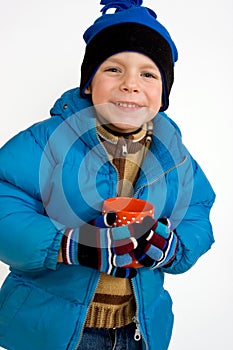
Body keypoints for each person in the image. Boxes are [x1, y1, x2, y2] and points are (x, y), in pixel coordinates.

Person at [0, 1, 215, 349]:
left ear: (163, 97)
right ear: (88, 84)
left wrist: (172, 249)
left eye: (148, 74)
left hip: (136, 329)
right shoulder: (48, 142)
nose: (130, 84)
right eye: (113, 69)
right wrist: (70, 245)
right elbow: (4, 203)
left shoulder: (174, 155)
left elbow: (197, 210)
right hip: (50, 330)